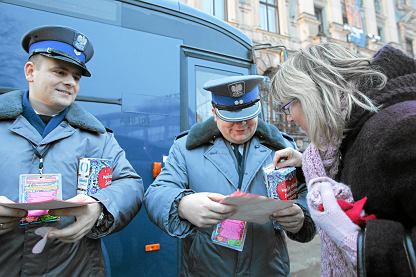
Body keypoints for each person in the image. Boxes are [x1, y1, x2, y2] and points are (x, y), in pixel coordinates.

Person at [0, 25, 143, 276]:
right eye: (60, 71)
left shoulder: (97, 137)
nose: (70, 82)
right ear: (30, 72)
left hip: (74, 269)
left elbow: (131, 184)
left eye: (76, 77)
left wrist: (99, 206)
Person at [144, 75, 316, 276]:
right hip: (205, 270)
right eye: (231, 118)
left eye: (247, 116)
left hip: (267, 269)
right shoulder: (185, 149)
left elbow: (307, 192)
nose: (241, 125)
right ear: (214, 113)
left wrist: (301, 216)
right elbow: (156, 193)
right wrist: (181, 205)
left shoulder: (283, 147)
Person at [270, 42, 416, 276]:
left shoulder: (399, 129)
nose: (288, 119)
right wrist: (301, 165)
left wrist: (360, 244)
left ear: (310, 94)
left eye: (288, 106)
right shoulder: (351, 135)